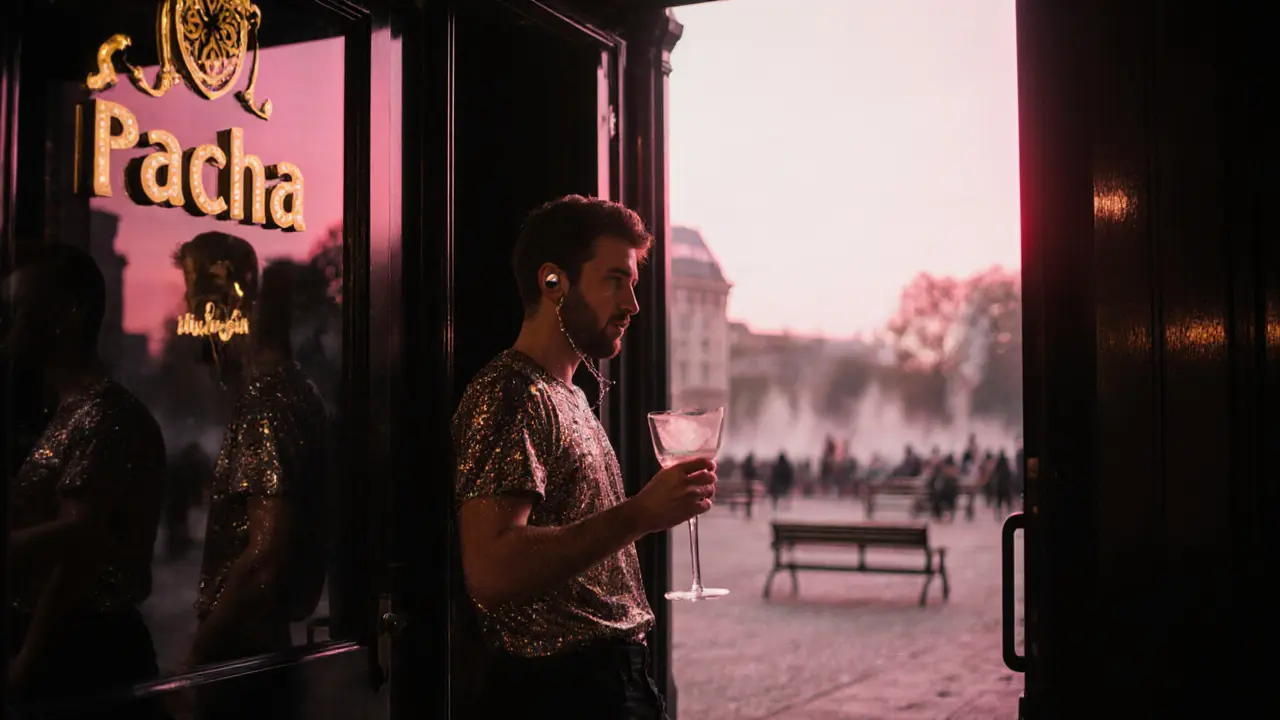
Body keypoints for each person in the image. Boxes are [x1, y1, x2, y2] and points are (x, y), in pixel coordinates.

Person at [453, 196, 715, 719]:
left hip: (605, 685)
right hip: (561, 695)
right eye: (616, 280)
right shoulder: (511, 392)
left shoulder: (567, 393)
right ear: (553, 282)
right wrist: (640, 514)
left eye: (633, 283)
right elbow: (490, 569)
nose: (633, 304)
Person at [2, 243, 166, 719]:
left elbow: (78, 546)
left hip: (84, 656)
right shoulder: (70, 411)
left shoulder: (105, 415)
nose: (9, 325)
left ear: (69, 314)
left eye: (20, 309)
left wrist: (27, 661)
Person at [174, 235, 330, 718]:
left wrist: (197, 657)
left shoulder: (268, 402)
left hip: (244, 663)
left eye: (196, 302)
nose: (191, 320)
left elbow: (265, 556)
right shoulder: (292, 391)